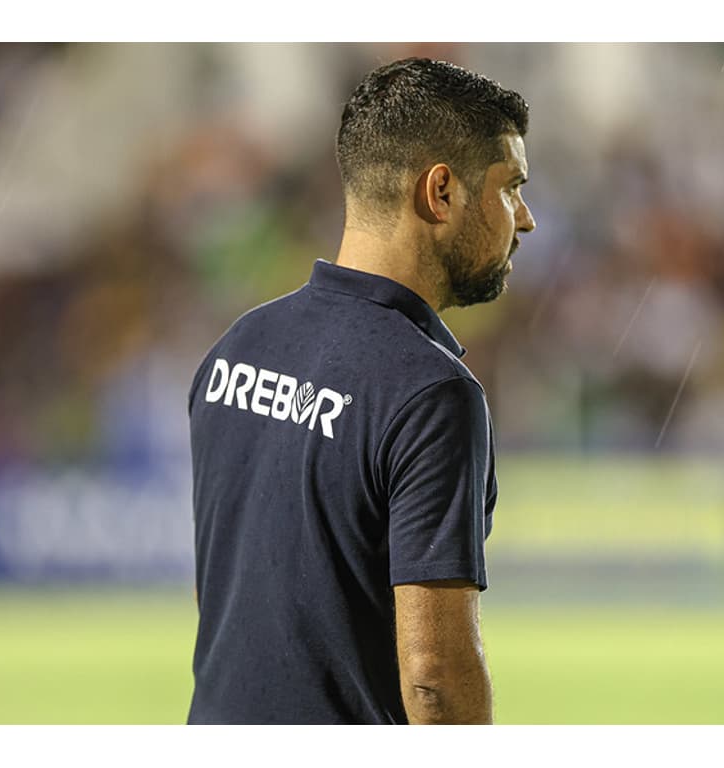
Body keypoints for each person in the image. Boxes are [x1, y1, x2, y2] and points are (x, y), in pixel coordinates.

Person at [186, 56, 536, 725]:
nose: (525, 219)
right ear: (441, 192)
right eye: (511, 186)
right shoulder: (430, 393)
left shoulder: (237, 349)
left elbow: (227, 600)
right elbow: (434, 678)